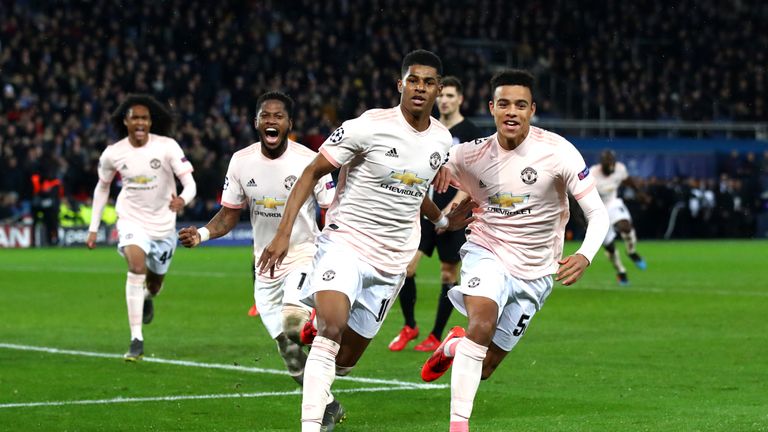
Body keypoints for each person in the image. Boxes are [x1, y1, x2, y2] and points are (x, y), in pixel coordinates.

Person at [257, 49, 464, 432]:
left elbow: (415, 189)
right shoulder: (367, 126)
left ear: (439, 90)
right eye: (413, 80)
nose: (420, 88)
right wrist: (283, 234)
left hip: (392, 261)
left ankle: (312, 320)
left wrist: (444, 218)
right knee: (332, 330)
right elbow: (311, 172)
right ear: (400, 84)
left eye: (429, 82)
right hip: (346, 244)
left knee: (346, 363)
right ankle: (311, 425)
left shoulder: (442, 140)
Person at [419, 69, 610, 432]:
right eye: (503, 104)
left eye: (520, 105)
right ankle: (458, 426)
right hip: (487, 250)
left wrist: (584, 254)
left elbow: (598, 214)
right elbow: (423, 167)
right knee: (482, 322)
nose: (512, 112)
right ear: (491, 109)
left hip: (537, 272)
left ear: (532, 110)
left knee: (486, 367)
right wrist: (440, 196)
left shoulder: (557, 152)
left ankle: (454, 346)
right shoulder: (468, 154)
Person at [177, 92, 341, 415]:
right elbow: (228, 215)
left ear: (289, 124)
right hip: (265, 268)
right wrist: (203, 233)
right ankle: (328, 403)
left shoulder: (310, 161)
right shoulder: (241, 161)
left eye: (278, 116)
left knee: (294, 322)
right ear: (256, 122)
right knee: (290, 352)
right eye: (265, 115)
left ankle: (334, 337)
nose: (271, 121)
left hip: (304, 256)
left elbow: (332, 210)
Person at [86, 94, 197, 361]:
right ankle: (136, 339)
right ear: (125, 121)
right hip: (131, 219)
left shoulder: (167, 147)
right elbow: (102, 188)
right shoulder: (113, 153)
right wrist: (93, 226)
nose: (139, 122)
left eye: (144, 118)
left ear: (150, 122)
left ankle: (148, 296)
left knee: (155, 283)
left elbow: (190, 182)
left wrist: (183, 198)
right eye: (134, 117)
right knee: (136, 266)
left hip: (163, 225)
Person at [389, 76, 483, 352]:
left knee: (447, 273)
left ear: (460, 100)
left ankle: (436, 334)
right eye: (442, 95)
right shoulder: (428, 128)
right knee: (405, 269)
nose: (445, 100)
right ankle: (410, 325)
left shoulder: (470, 132)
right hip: (424, 209)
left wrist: (452, 208)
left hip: (452, 212)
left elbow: (473, 178)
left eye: (451, 96)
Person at [591, 150, 647, 285]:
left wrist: (639, 193)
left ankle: (631, 251)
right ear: (601, 163)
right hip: (597, 209)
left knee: (625, 226)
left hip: (612, 203)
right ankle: (621, 272)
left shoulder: (620, 168)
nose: (611, 167)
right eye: (608, 163)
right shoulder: (592, 174)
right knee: (609, 246)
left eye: (613, 163)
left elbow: (628, 181)